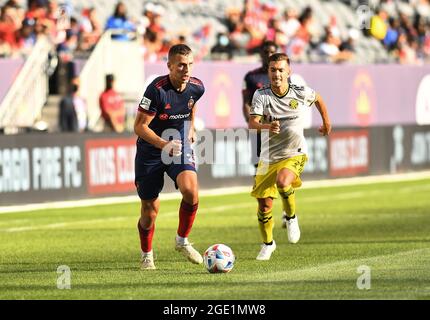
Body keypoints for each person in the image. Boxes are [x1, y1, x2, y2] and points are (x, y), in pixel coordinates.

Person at [248, 53, 331, 260]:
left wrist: (327, 122)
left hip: (295, 152)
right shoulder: (261, 95)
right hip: (268, 158)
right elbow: (252, 124)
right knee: (264, 205)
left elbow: (318, 98)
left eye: (281, 70)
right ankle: (268, 244)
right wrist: (267, 126)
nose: (277, 74)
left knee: (284, 182)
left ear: (288, 72)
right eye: (273, 70)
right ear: (268, 72)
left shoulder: (299, 92)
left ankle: (291, 217)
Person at [134, 44, 205, 270]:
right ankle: (147, 254)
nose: (186, 69)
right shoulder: (156, 90)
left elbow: (192, 106)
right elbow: (139, 127)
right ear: (170, 66)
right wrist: (163, 144)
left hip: (179, 143)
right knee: (149, 211)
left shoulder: (197, 87)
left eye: (190, 64)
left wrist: (191, 128)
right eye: (181, 65)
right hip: (151, 150)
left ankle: (182, 240)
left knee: (191, 191)